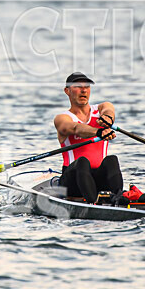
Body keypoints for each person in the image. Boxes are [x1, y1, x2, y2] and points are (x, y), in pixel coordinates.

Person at [53, 72, 122, 203]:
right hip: (71, 184)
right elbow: (75, 128)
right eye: (78, 86)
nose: (83, 90)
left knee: (111, 160)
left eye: (87, 86)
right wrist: (98, 132)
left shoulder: (101, 108)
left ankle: (118, 198)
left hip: (98, 180)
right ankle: (93, 203)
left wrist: (107, 119)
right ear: (67, 91)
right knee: (82, 161)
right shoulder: (62, 118)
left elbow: (109, 110)